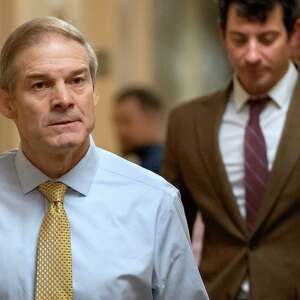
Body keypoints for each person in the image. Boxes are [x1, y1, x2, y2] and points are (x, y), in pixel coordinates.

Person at [0, 17, 209, 300]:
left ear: (94, 92)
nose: (63, 99)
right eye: (40, 85)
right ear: (7, 103)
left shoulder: (154, 201)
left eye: (77, 80)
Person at [162, 0, 300, 299]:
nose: (251, 55)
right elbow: (171, 228)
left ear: (294, 34)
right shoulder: (187, 122)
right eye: (239, 39)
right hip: (216, 290)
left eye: (266, 39)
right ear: (222, 34)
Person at [112, 87, 164, 174]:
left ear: (152, 118)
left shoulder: (161, 168)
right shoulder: (140, 164)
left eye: (126, 121)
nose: (121, 131)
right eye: (117, 123)